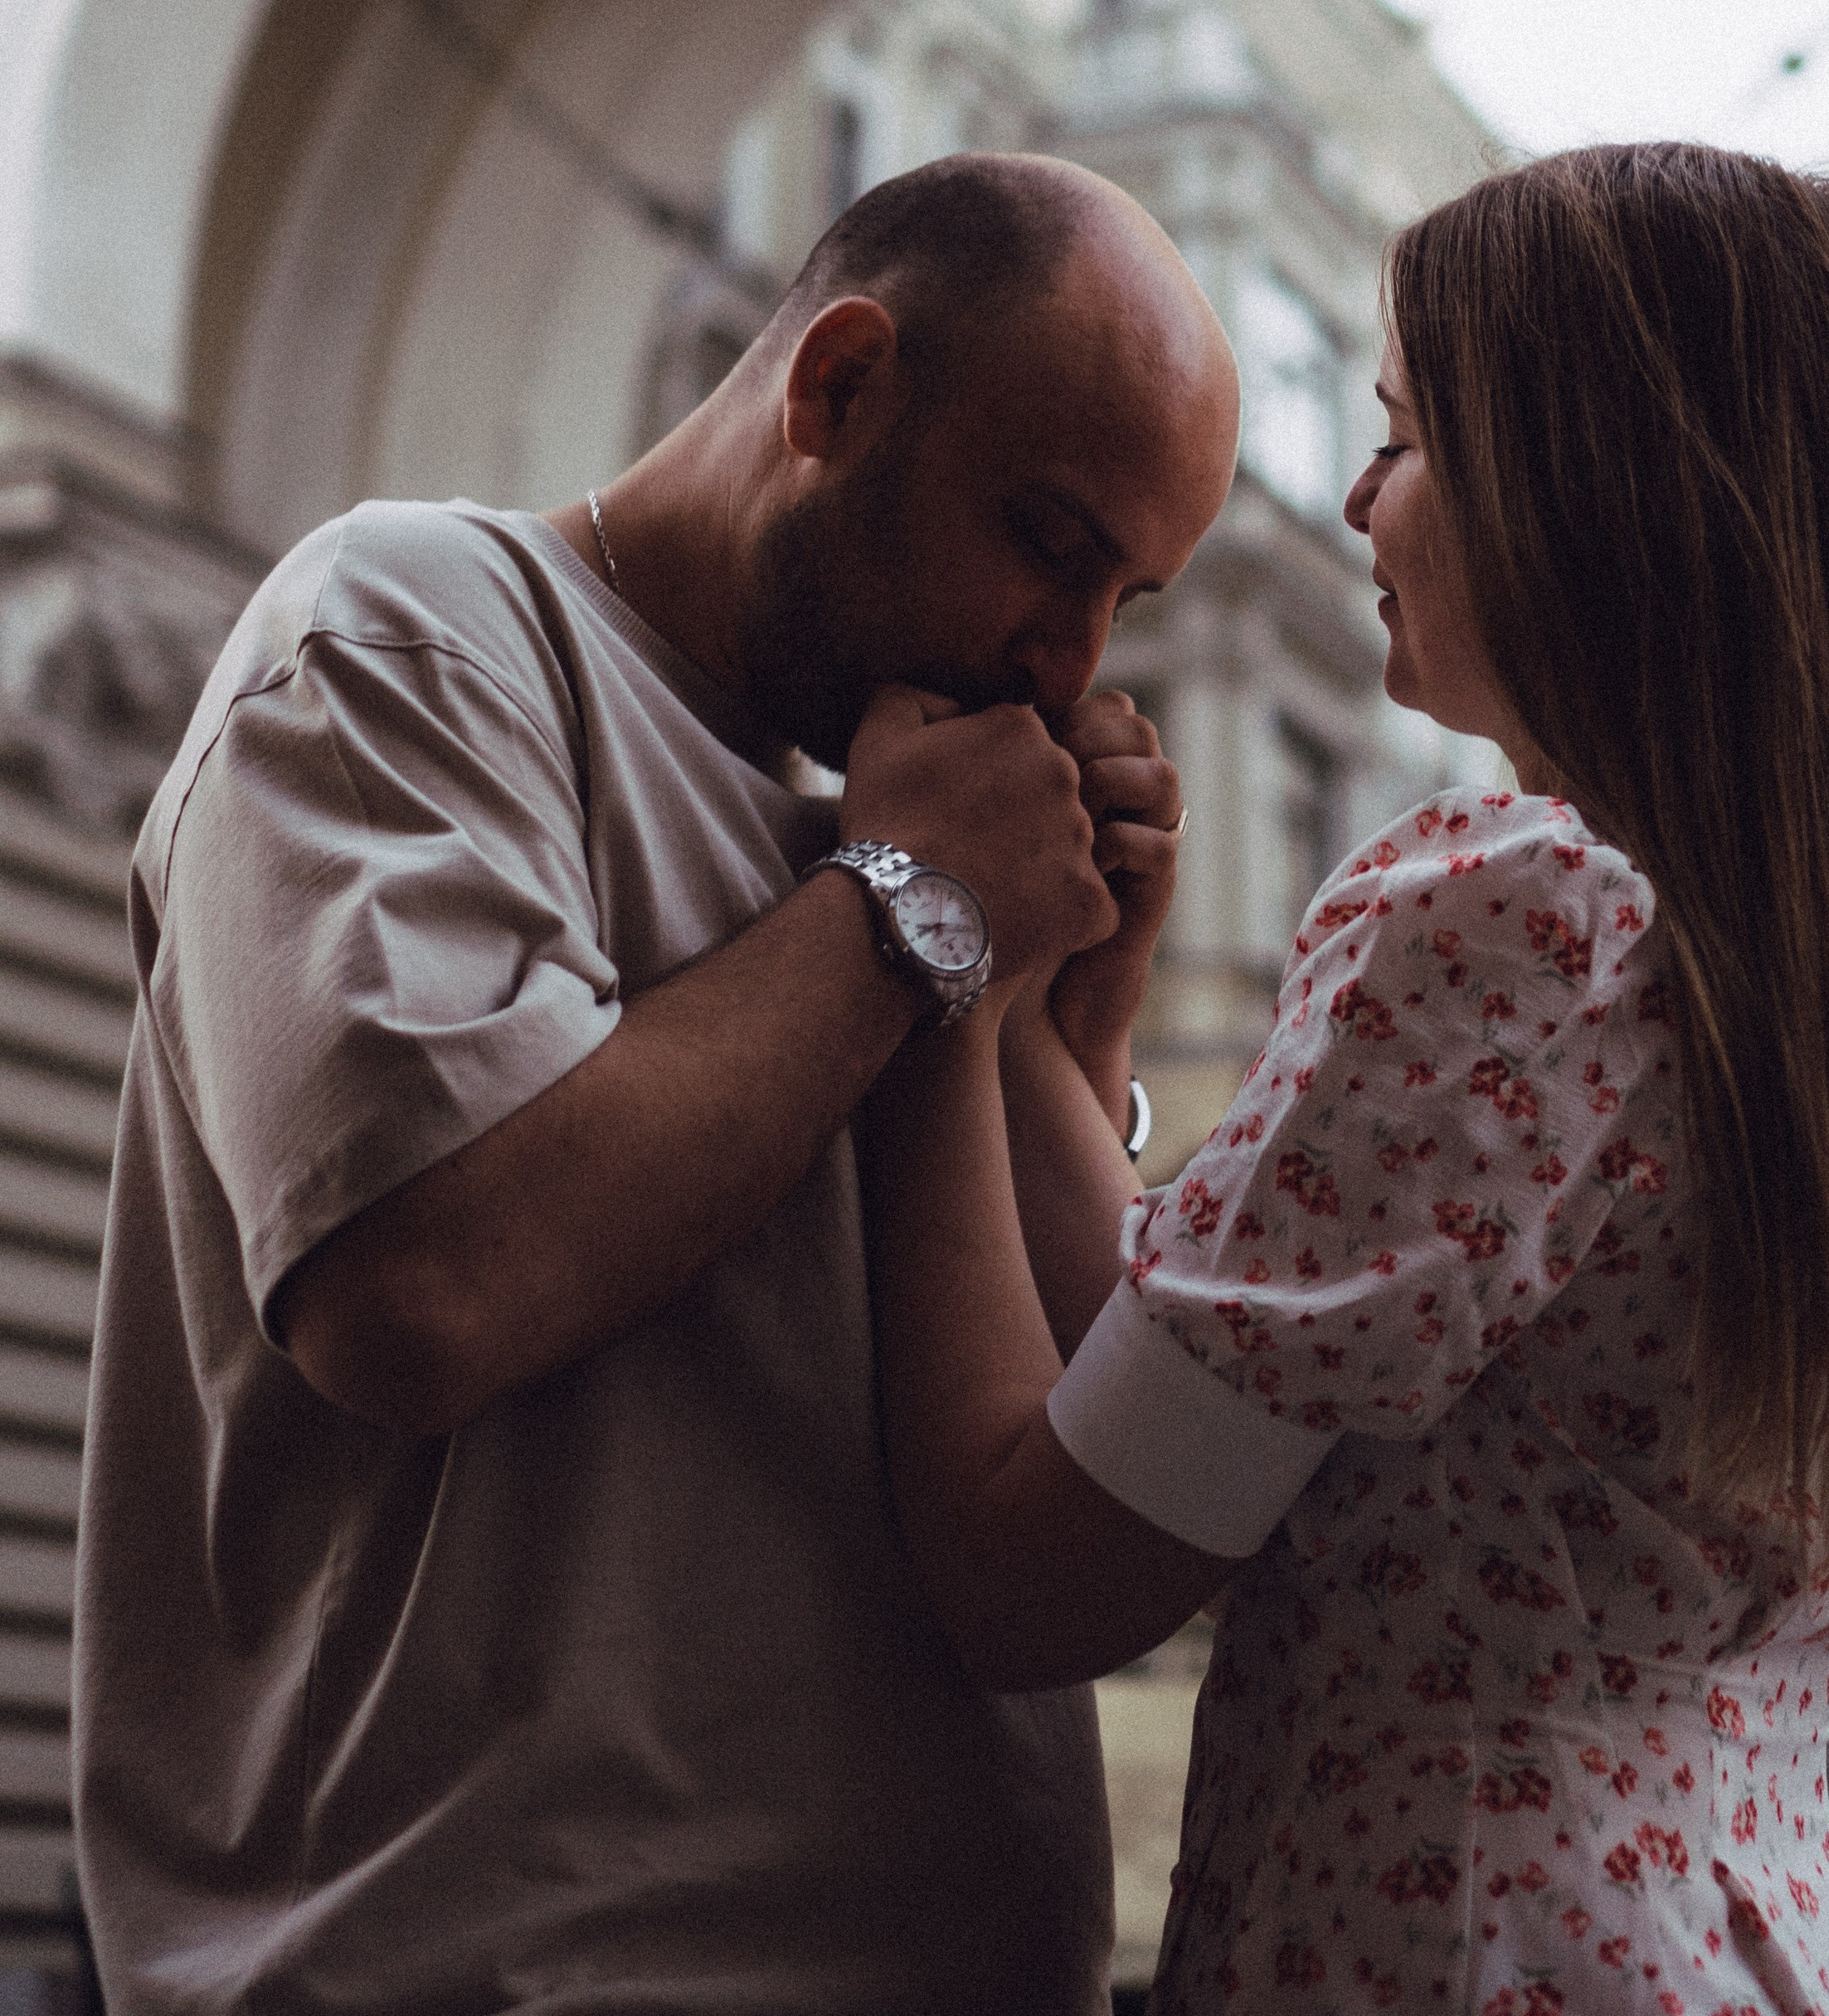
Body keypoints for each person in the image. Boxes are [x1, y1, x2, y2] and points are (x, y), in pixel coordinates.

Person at [864, 140, 1829, 2016]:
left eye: (1402, 435)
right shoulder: (1817, 987)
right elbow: (1184, 1402)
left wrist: (924, 943)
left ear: (1590, 488)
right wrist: (1057, 1027)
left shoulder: (1514, 915)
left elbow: (1032, 1580)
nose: (1348, 496)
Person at [73, 153, 1241, 2016]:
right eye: (1043, 539)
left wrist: (1061, 1024)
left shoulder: (904, 821)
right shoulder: (412, 632)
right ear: (835, 388)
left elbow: (1082, 1508)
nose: (1071, 656)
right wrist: (917, 906)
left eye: (1128, 594)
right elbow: (425, 1294)